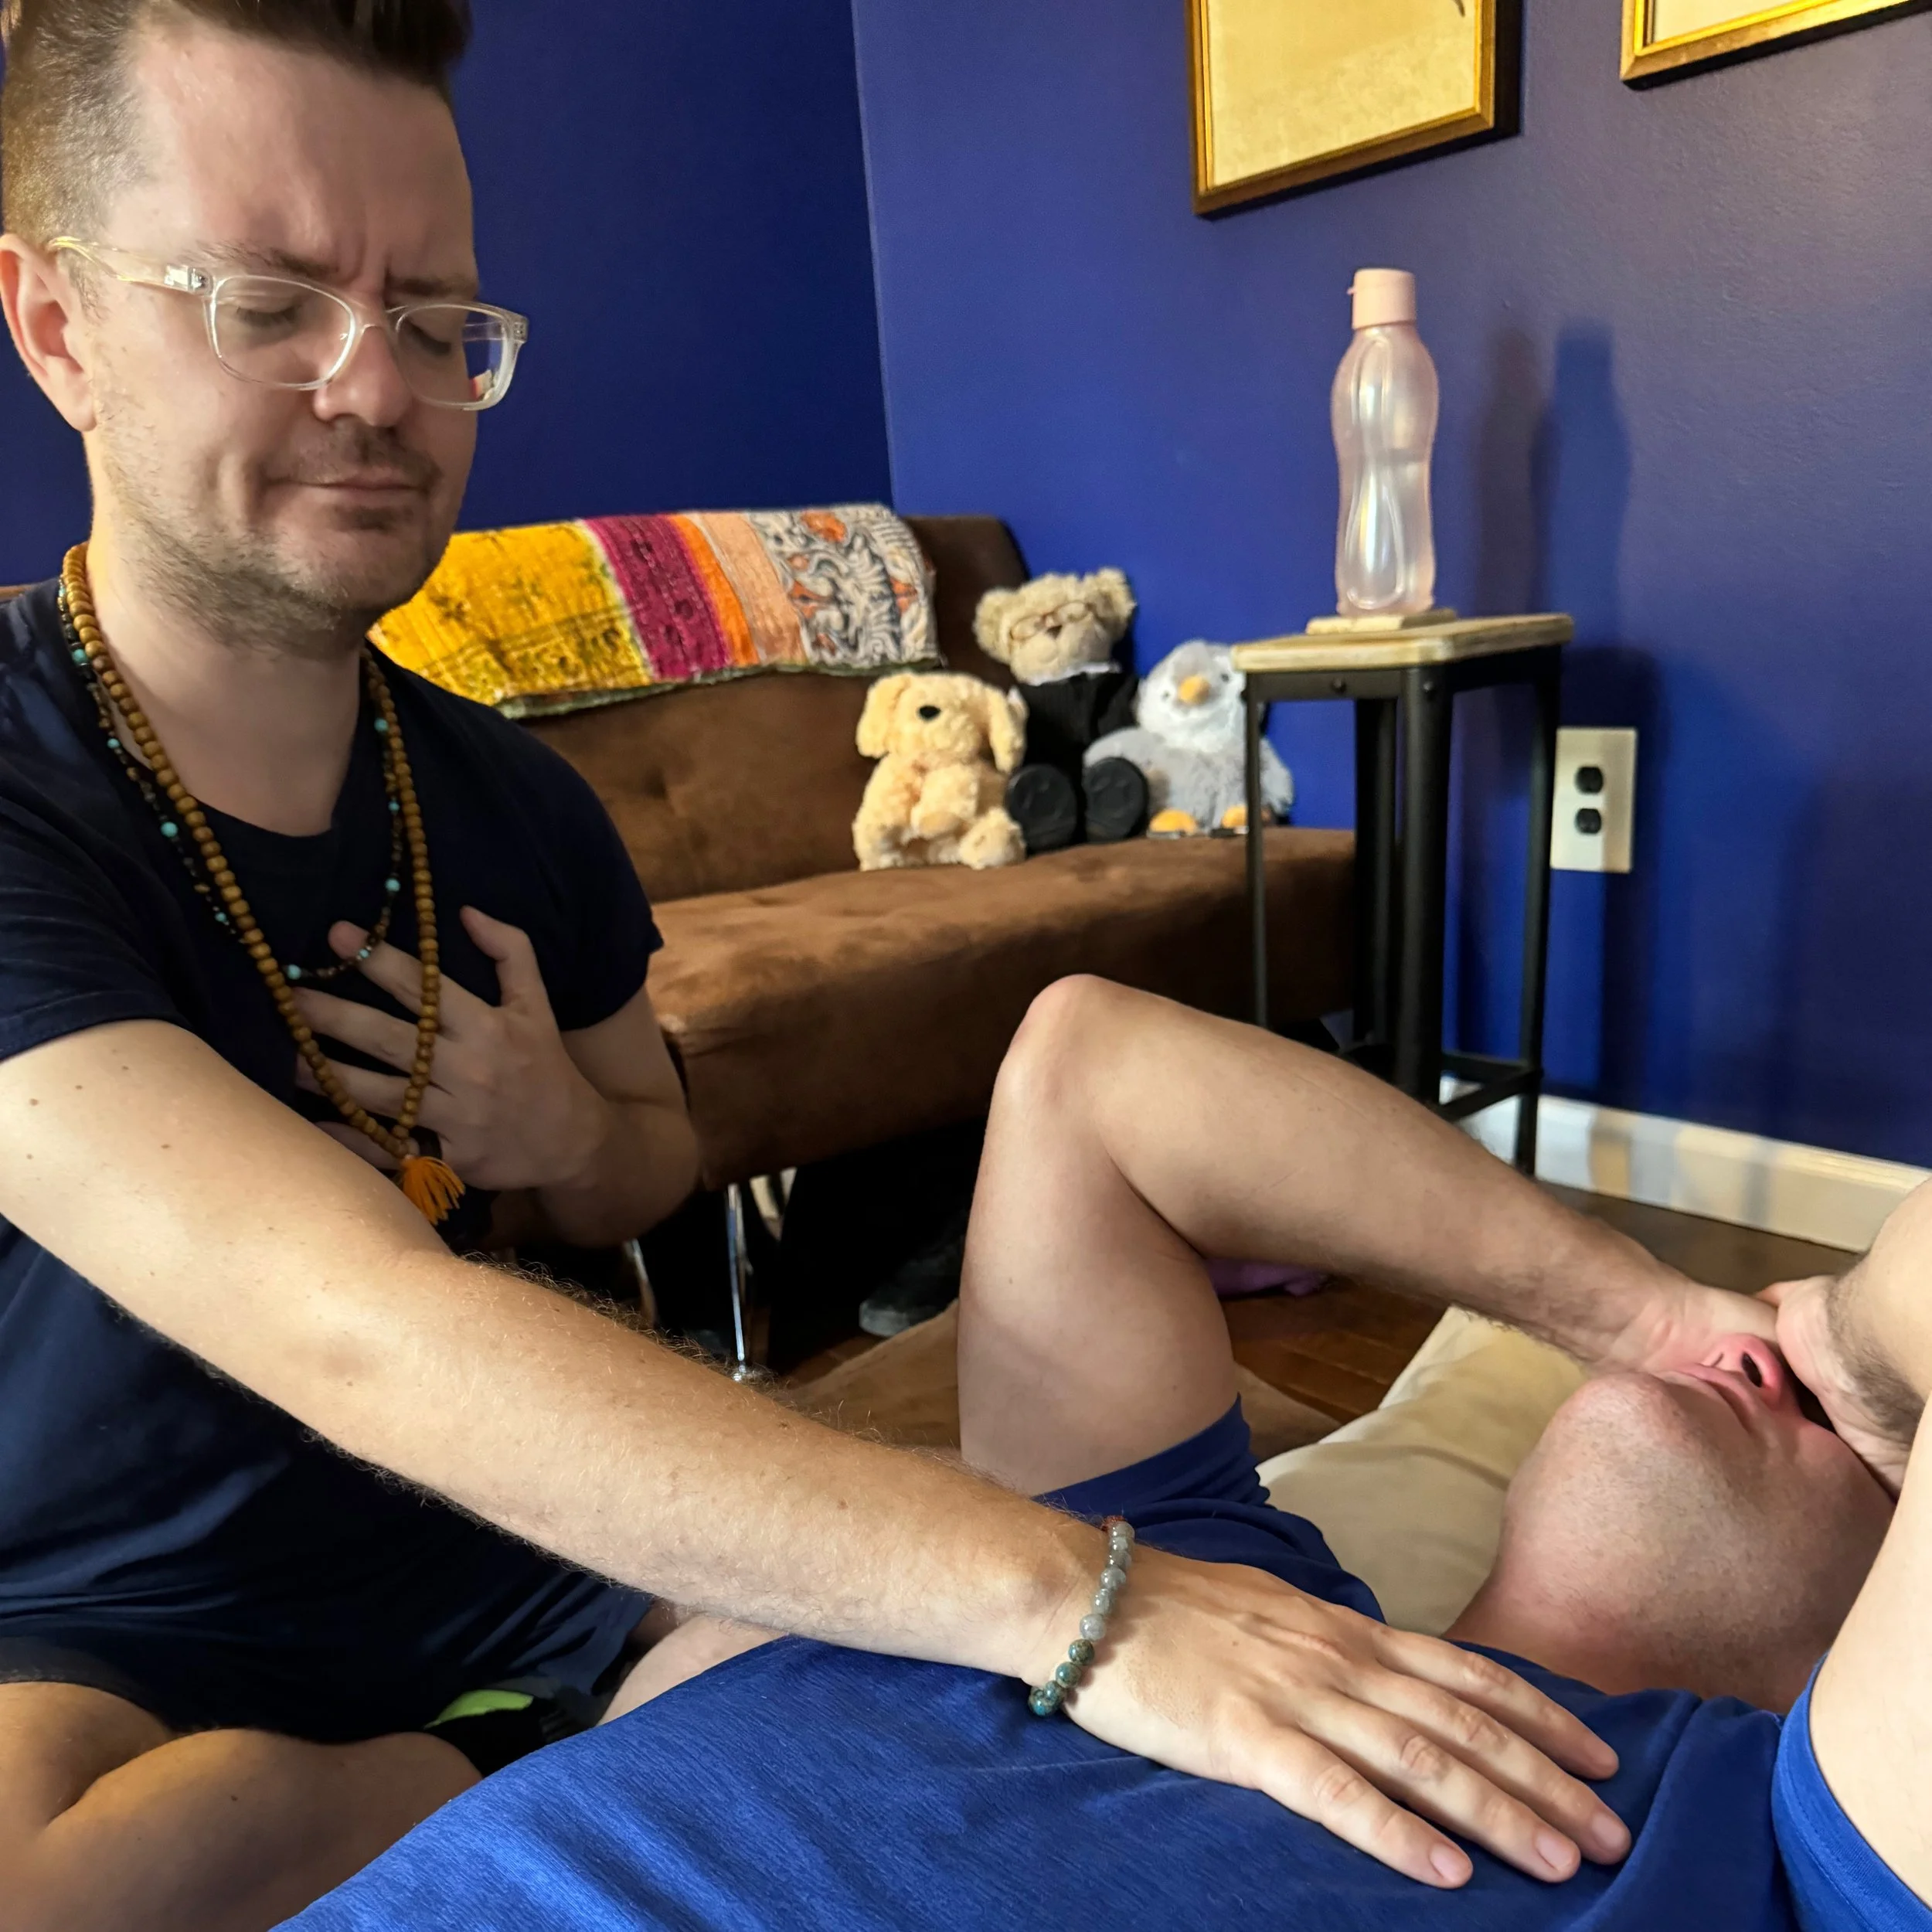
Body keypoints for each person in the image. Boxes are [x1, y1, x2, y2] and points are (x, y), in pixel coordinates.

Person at [0, 5, 1741, 1927]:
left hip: (530, 1550)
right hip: (110, 1602)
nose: (375, 390)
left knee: (961, 1772)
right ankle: (497, 1757)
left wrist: (554, 1118)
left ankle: (508, 1743)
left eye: (434, 321)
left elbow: (656, 1155)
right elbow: (342, 1317)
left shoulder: (509, 806)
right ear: (56, 320)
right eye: (267, 302)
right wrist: (1086, 1596)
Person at [284, 978, 1916, 1932]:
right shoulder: (1178, 1564)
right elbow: (1089, 1066)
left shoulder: (1786, 1849)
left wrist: (1853, 1343)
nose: (1776, 1337)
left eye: (1880, 1449)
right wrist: (1635, 1308)